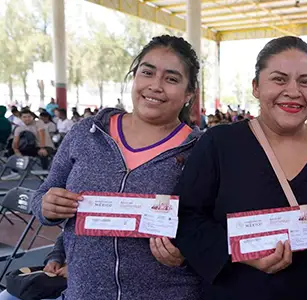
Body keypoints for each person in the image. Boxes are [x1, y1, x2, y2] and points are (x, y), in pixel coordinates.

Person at [176, 36, 307, 300]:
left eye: (305, 81)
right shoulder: (220, 144)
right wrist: (238, 250)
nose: (293, 91)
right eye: (279, 79)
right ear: (256, 87)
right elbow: (185, 217)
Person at [31, 35, 204, 300]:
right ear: (134, 77)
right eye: (147, 73)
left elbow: (213, 229)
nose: (155, 86)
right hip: (83, 293)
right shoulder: (86, 134)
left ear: (189, 93)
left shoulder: (201, 151)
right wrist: (46, 206)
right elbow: (43, 195)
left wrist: (188, 252)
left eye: (171, 79)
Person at [0, 232, 67, 300]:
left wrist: (75, 270)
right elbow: (65, 236)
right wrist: (54, 258)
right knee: (6, 297)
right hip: (61, 273)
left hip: (73, 286)